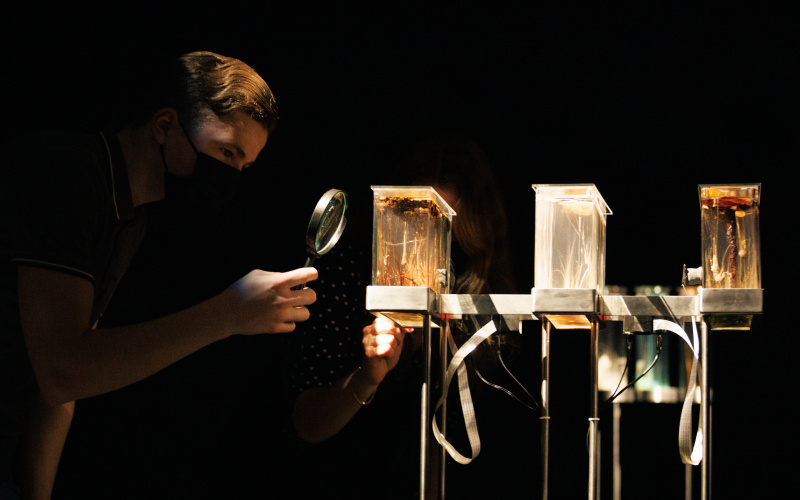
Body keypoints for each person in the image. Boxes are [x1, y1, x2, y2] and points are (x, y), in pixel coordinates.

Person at [0, 51, 318, 500]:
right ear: (165, 124)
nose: (230, 177)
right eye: (226, 152)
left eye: (243, 166)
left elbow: (60, 393)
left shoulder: (130, 219)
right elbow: (63, 370)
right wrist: (228, 314)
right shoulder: (67, 173)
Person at [289, 135, 534, 498]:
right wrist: (366, 378)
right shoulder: (352, 274)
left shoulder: (481, 298)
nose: (429, 247)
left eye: (447, 232)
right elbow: (307, 424)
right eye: (415, 226)